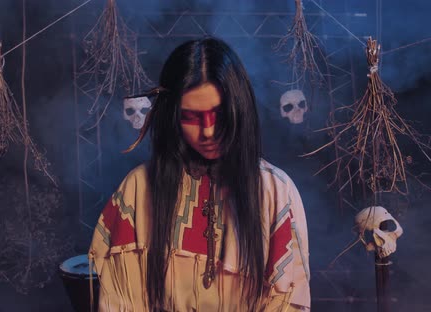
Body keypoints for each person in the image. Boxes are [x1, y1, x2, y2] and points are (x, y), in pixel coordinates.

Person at [88, 37, 310, 311]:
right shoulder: (138, 189)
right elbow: (119, 301)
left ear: (238, 110)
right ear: (172, 117)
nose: (207, 131)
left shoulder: (275, 191)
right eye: (191, 117)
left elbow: (289, 300)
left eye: (218, 114)